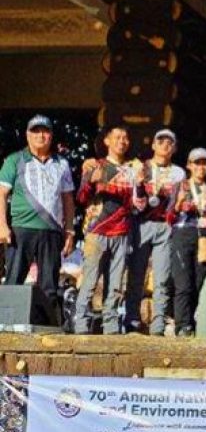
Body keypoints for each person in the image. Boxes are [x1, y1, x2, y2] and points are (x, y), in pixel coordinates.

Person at [0, 115, 76, 323]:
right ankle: (5, 326)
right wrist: (1, 225)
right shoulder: (15, 160)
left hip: (51, 230)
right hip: (20, 228)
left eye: (45, 131)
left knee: (50, 284)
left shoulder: (62, 164)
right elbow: (1, 194)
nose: (41, 136)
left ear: (51, 135)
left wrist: (69, 231)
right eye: (36, 131)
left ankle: (47, 327)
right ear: (27, 135)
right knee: (14, 278)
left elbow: (68, 200)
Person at [74, 125, 145, 334]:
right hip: (97, 231)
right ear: (107, 141)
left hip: (122, 232)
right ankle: (81, 325)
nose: (122, 141)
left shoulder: (133, 170)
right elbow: (81, 198)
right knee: (89, 281)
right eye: (117, 137)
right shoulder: (96, 165)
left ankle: (111, 327)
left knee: (115, 285)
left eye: (125, 137)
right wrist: (90, 183)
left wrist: (140, 184)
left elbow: (139, 205)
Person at [124, 129, 185, 335]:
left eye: (170, 142)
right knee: (136, 275)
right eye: (161, 141)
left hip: (165, 227)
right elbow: (134, 200)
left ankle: (158, 324)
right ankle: (132, 320)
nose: (165, 145)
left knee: (162, 278)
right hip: (141, 224)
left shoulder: (178, 173)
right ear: (153, 145)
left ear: (174, 148)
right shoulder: (140, 167)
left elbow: (178, 202)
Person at [167, 147, 206, 337]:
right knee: (183, 284)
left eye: (204, 163)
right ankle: (182, 325)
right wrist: (178, 206)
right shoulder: (180, 186)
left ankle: (189, 322)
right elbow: (169, 216)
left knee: (197, 283)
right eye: (197, 163)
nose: (201, 167)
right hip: (182, 233)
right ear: (189, 165)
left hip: (204, 235)